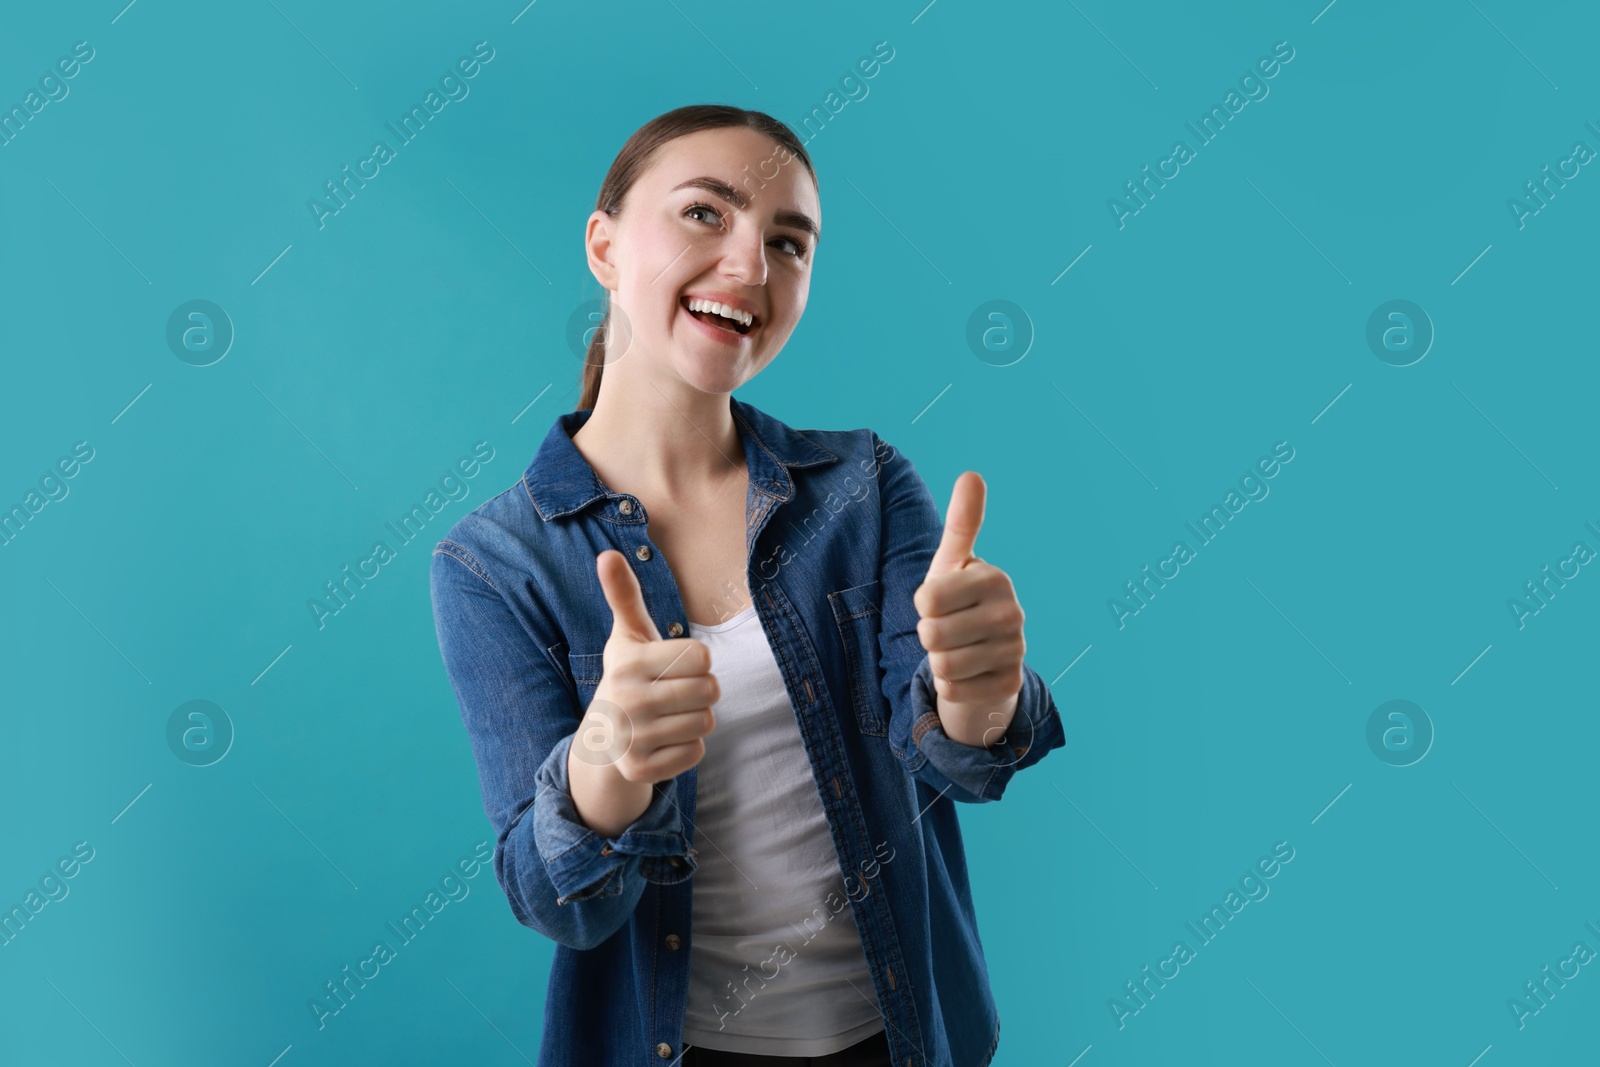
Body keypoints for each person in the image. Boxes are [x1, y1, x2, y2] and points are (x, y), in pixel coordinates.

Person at [429, 104, 1066, 1067]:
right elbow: (553, 896)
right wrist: (604, 770)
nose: (751, 266)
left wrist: (980, 699)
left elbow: (957, 760)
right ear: (603, 246)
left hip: (898, 1039)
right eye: (703, 214)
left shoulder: (867, 486)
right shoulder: (492, 564)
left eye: (789, 242)